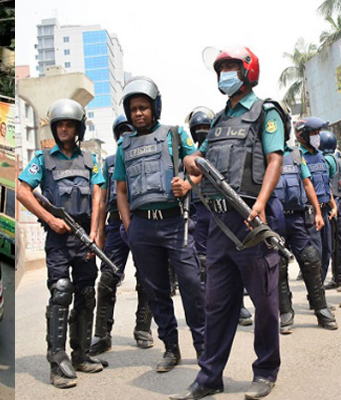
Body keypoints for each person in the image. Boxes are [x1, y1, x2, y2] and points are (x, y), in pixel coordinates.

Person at [174, 46, 285, 400]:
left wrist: (262, 203)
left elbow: (274, 161)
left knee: (265, 304)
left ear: (248, 71)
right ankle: (209, 378)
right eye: (221, 68)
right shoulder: (220, 120)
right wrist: (190, 165)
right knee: (217, 304)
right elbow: (202, 161)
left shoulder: (265, 113)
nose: (225, 73)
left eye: (231, 67)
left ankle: (265, 371)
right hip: (218, 224)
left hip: (250, 220)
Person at [113, 76, 206, 373]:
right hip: (142, 228)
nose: (138, 113)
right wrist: (130, 228)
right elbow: (122, 191)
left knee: (192, 285)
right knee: (156, 291)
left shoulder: (175, 134)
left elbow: (198, 165)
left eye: (143, 107)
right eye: (133, 109)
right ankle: (170, 348)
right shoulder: (123, 145)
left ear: (155, 108)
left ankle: (204, 348)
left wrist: (189, 184)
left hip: (176, 224)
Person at [17, 98, 106, 389]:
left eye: (70, 124)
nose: (65, 129)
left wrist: (94, 233)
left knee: (85, 293)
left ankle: (81, 354)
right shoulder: (42, 159)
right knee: (61, 292)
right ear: (54, 129)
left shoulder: (90, 160)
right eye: (60, 125)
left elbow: (98, 196)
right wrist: (49, 219)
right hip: (58, 238)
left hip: (84, 238)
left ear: (78, 128)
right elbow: (22, 191)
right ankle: (57, 362)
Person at [90, 114, 154, 356]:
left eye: (130, 131)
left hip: (141, 222)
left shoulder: (146, 155)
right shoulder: (107, 162)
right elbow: (101, 198)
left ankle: (143, 329)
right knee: (107, 279)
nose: (125, 136)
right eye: (122, 132)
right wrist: (99, 232)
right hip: (115, 225)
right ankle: (102, 335)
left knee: (146, 277)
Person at [186, 107, 254, 326]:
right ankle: (213, 307)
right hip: (198, 213)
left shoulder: (220, 151)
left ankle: (239, 306)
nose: (202, 132)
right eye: (198, 129)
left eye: (206, 127)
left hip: (221, 211)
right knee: (205, 263)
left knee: (233, 258)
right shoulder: (190, 157)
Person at [273, 135, 336, 334]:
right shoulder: (261, 155)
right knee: (279, 265)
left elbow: (307, 183)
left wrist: (318, 212)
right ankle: (286, 312)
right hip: (274, 219)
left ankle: (321, 309)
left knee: (311, 260)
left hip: (297, 218)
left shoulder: (294, 154)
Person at [294, 118, 339, 291]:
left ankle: (317, 293)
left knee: (327, 251)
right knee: (315, 254)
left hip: (325, 209)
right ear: (303, 136)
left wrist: (333, 204)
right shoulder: (298, 156)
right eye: (313, 133)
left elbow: (325, 183)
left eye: (318, 133)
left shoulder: (321, 155)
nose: (317, 136)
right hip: (310, 212)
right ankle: (315, 295)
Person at [320, 130, 341, 289]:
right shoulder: (337, 158)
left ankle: (337, 277)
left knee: (334, 244)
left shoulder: (326, 160)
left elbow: (324, 184)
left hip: (332, 204)